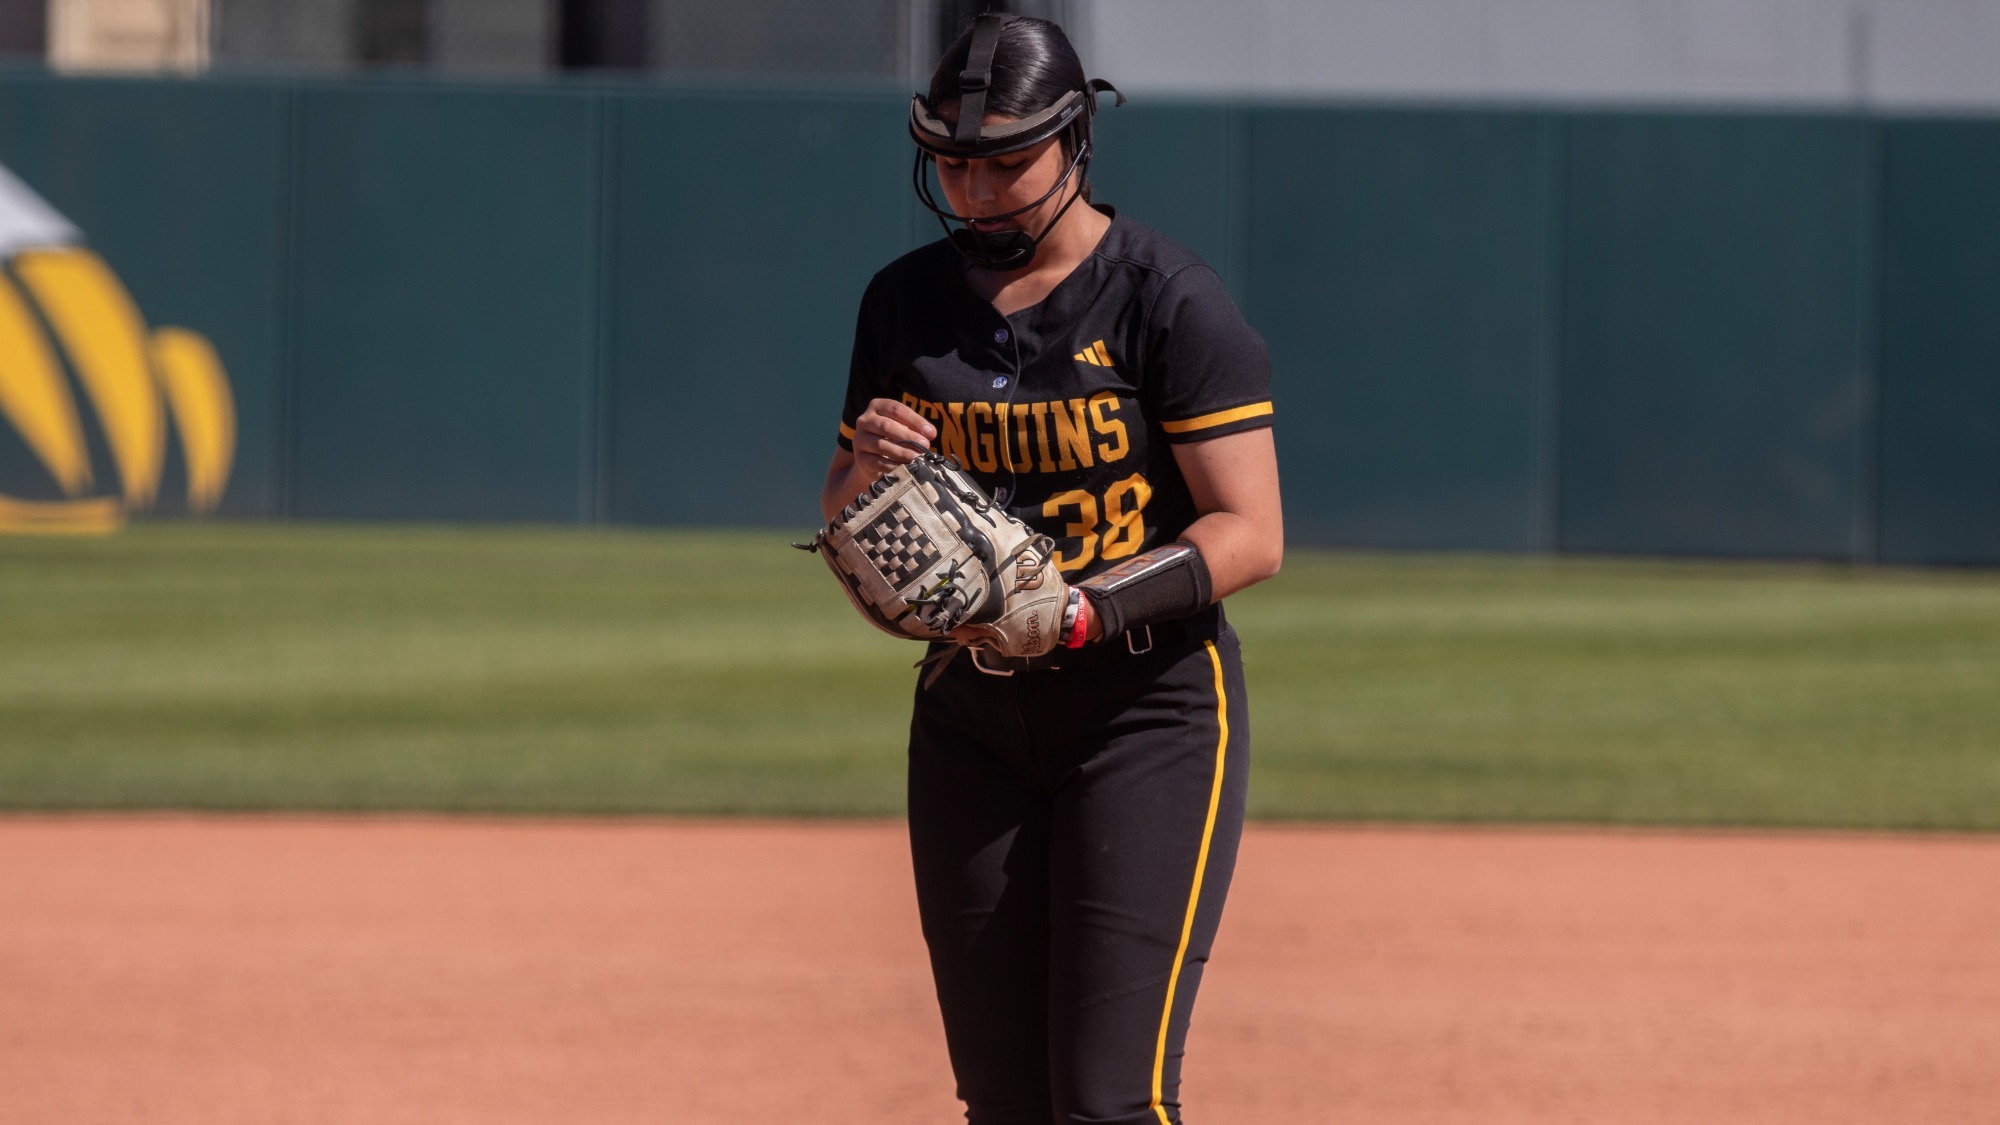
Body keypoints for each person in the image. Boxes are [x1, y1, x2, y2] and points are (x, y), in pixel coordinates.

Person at [818, 12, 1282, 1124]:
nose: (974, 189)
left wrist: (1081, 612)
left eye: (1003, 161)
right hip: (969, 718)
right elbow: (841, 511)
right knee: (1002, 1104)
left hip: (1144, 715)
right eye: (951, 161)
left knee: (1104, 1103)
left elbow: (1249, 533)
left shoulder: (1167, 300)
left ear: (1075, 141)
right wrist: (860, 488)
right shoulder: (902, 302)